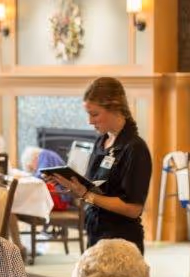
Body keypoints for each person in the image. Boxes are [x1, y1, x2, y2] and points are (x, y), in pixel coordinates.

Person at [48, 77, 152, 253]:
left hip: (121, 241)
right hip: (95, 232)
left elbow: (133, 209)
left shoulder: (135, 148)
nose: (90, 121)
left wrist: (86, 195)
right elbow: (95, 189)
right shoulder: (101, 142)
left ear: (115, 108)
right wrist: (73, 187)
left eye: (95, 114)